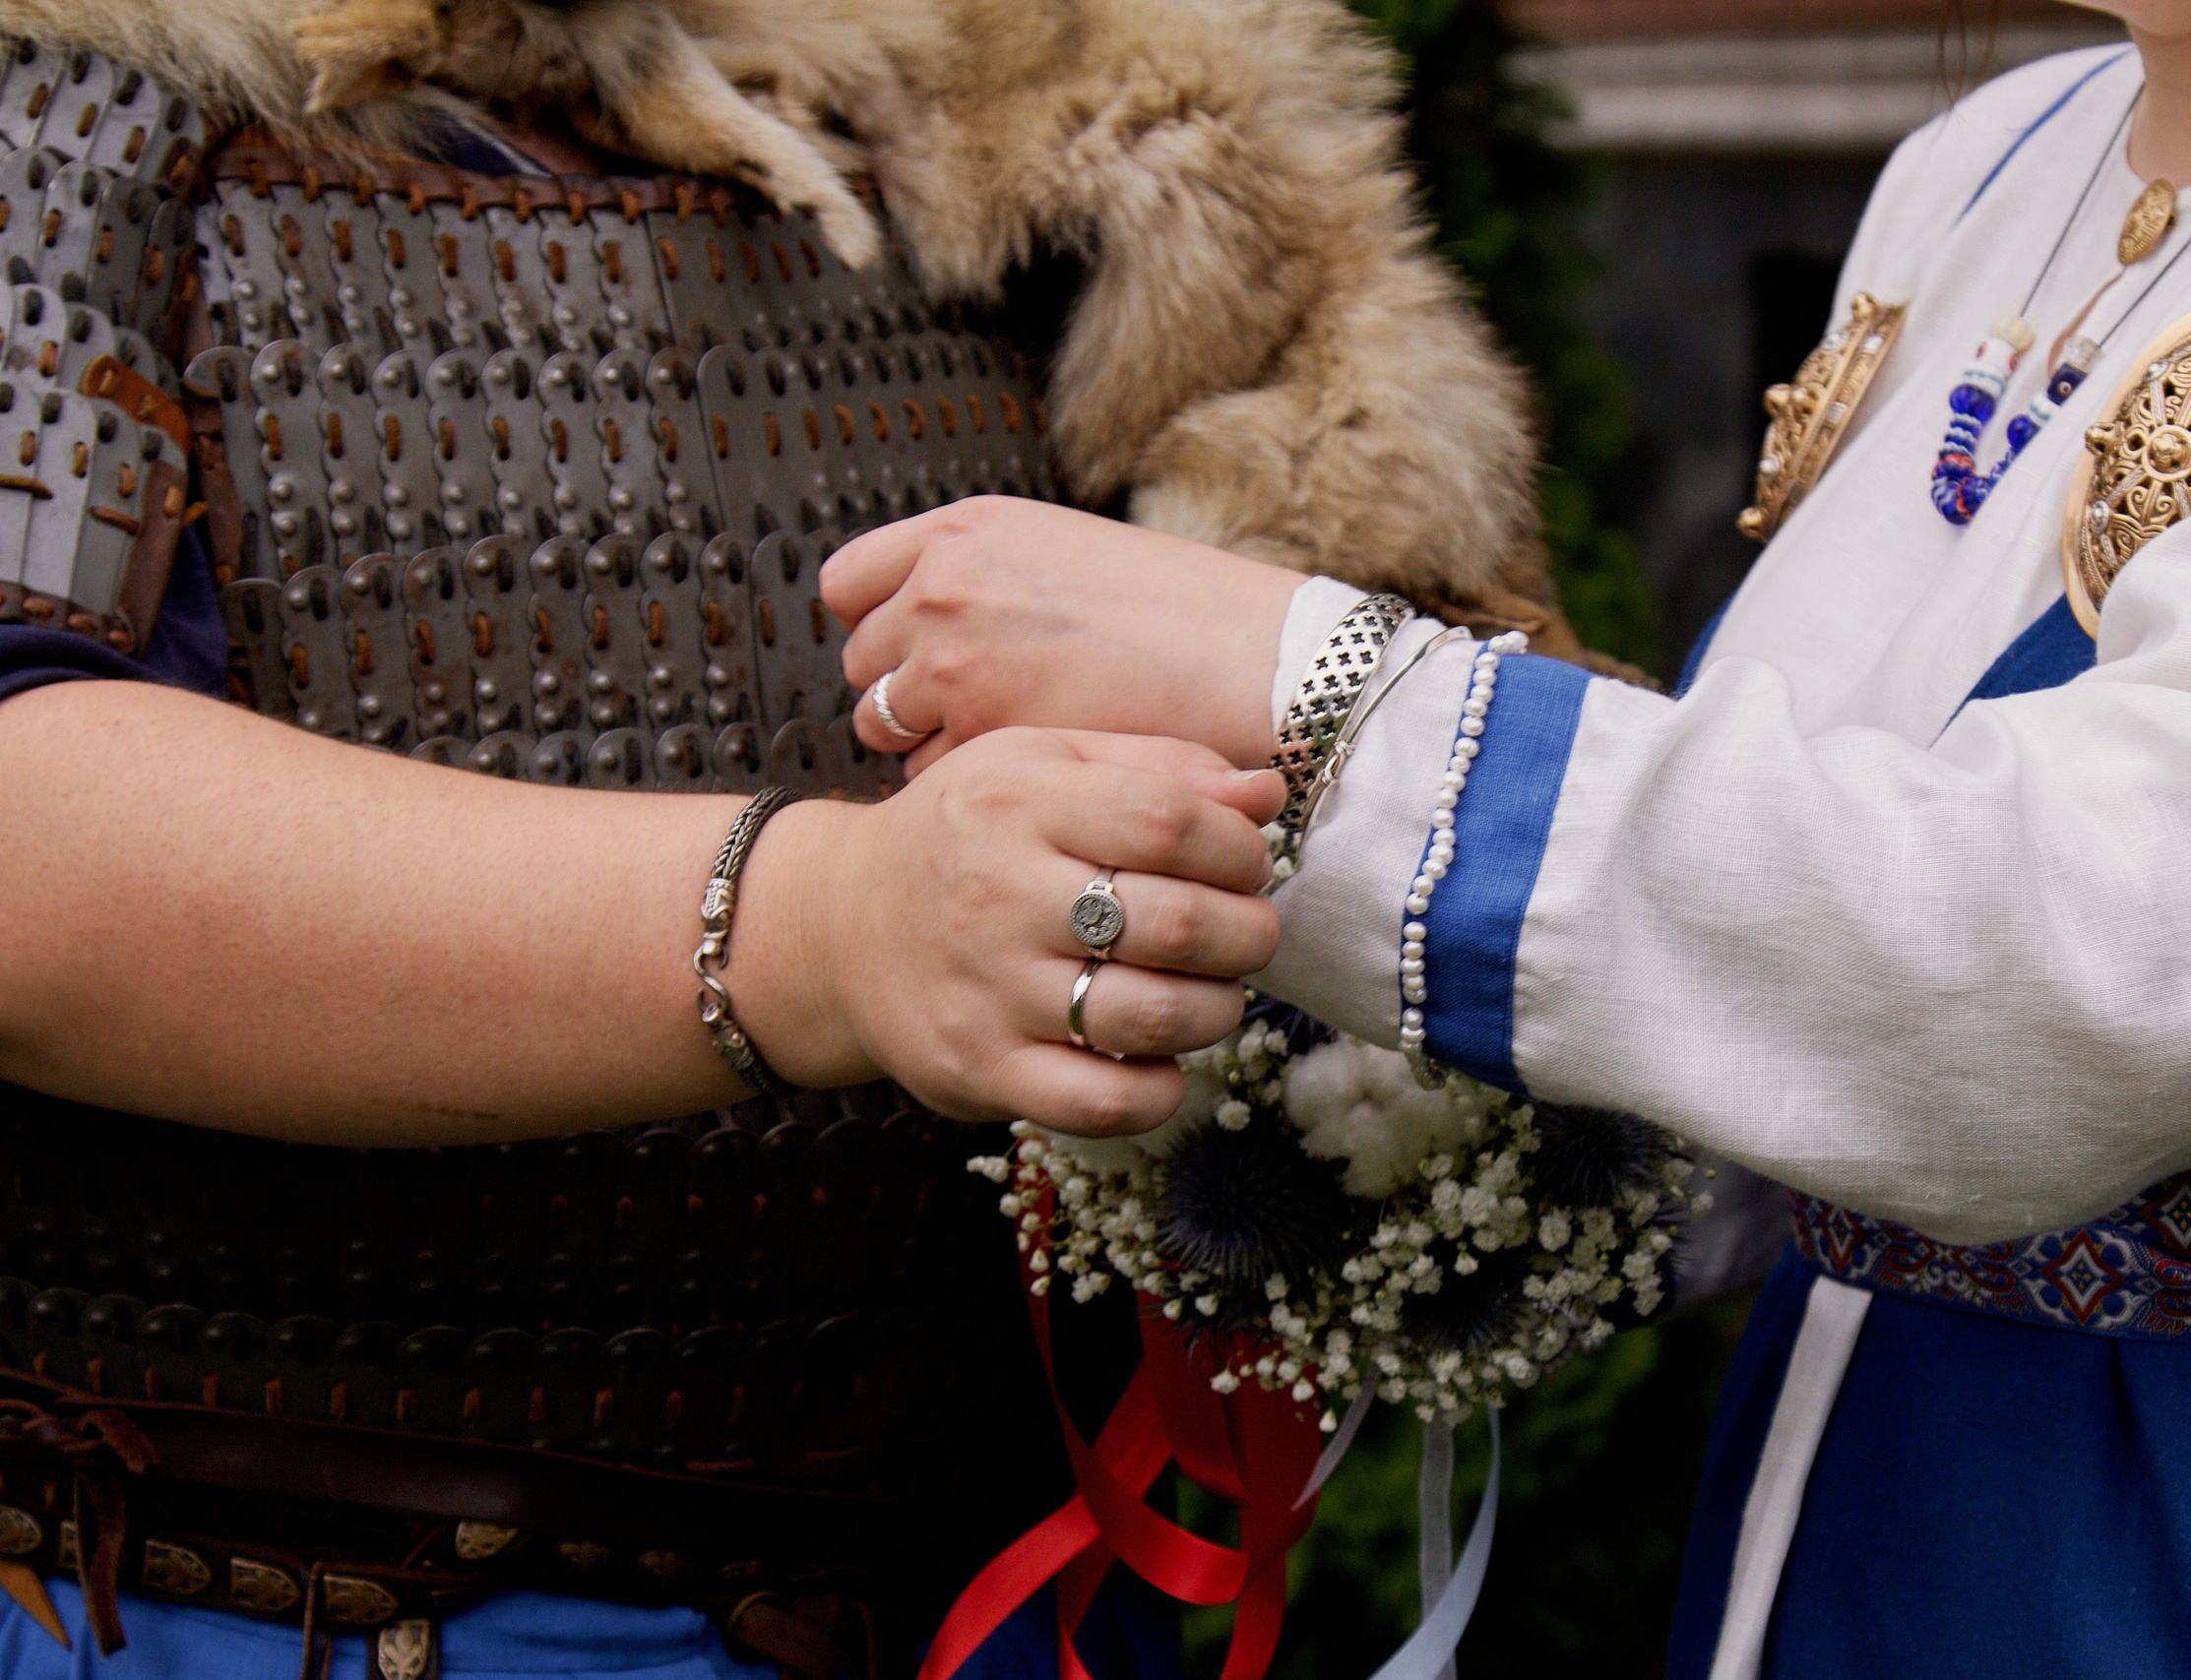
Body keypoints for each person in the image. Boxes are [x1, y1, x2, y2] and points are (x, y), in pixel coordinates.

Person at [819, 0, 2191, 1671]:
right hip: (1846, 1490)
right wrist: (1379, 1126)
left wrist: (1297, 695)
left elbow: (2098, 958)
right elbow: (1802, 873)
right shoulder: (1999, 153)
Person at [0, 45, 1284, 1680]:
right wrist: (822, 926)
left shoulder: (1070, 105)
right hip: (264, 1610)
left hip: (985, 1594)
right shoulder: (60, 93)